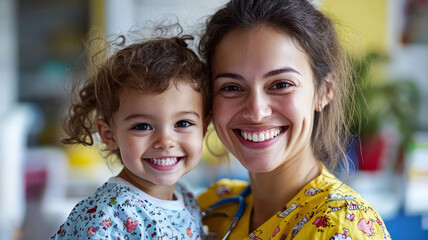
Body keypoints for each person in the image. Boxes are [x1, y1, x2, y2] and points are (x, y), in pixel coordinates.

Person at [197, 0, 391, 239]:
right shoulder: (213, 207)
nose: (256, 112)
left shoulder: (342, 226)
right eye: (231, 87)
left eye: (281, 85)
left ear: (324, 91)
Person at [51, 29, 211, 239]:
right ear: (109, 135)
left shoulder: (186, 197)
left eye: (182, 123)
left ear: (204, 128)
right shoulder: (108, 217)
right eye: (142, 126)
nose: (165, 141)